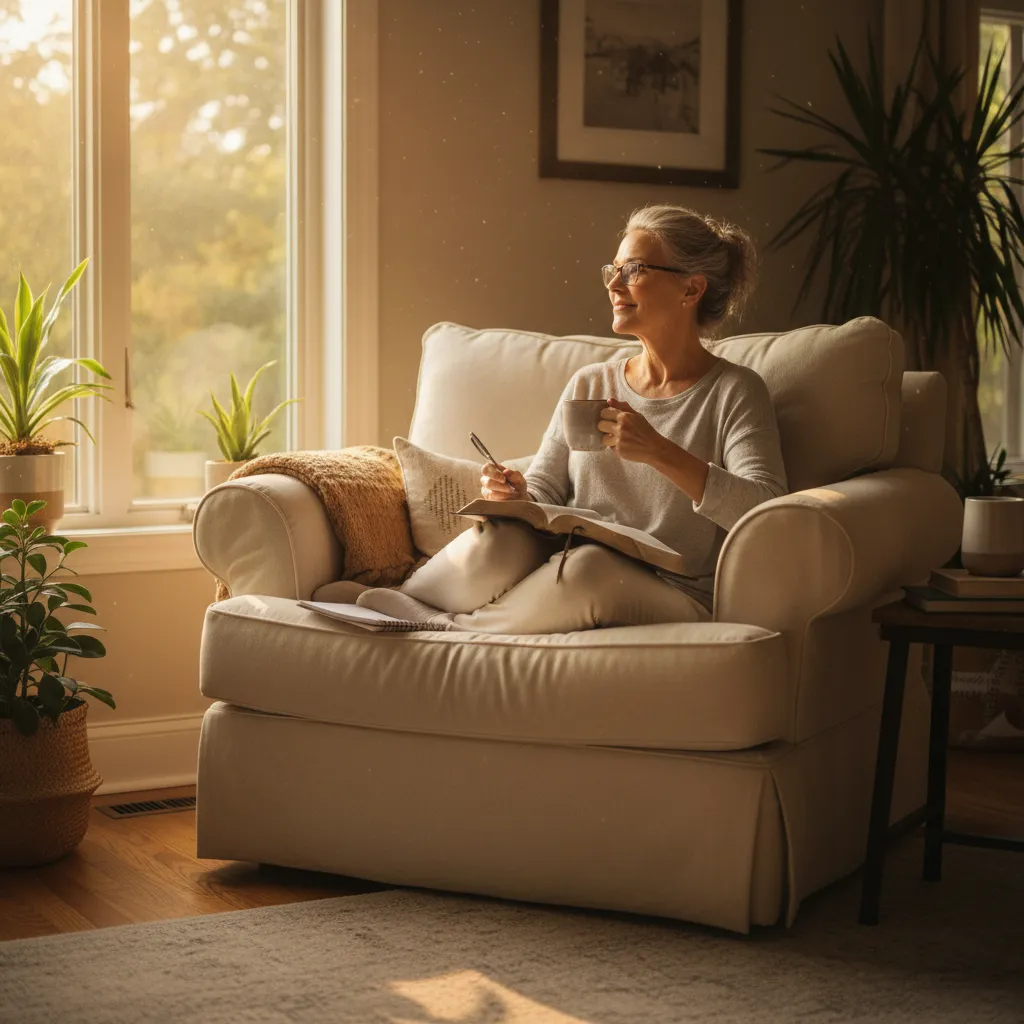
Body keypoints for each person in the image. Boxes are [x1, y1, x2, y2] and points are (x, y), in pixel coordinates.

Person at [355, 203, 789, 633]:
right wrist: (515, 494)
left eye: (634, 270)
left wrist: (660, 452)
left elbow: (767, 512)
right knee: (504, 538)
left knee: (588, 567)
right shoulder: (590, 383)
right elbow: (547, 489)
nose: (614, 285)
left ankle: (453, 629)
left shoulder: (735, 391)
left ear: (691, 290)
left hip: (674, 589)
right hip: (565, 556)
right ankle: (409, 600)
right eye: (612, 270)